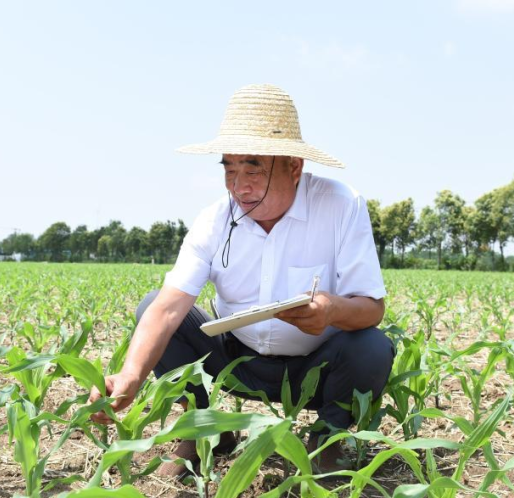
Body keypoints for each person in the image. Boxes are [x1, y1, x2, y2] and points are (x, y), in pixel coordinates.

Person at [89, 84, 394, 477]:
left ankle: (327, 439)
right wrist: (130, 375)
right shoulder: (213, 220)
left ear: (294, 167)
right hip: (236, 360)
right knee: (151, 306)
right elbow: (166, 309)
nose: (239, 185)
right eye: (229, 170)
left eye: (253, 169)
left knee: (371, 346)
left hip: (316, 368)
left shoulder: (340, 205)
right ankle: (205, 431)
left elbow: (372, 307)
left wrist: (331, 310)